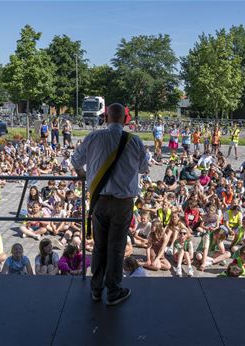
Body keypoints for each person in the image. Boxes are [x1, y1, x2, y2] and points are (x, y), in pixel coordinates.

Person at [71, 103, 148, 306]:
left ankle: (96, 289)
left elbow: (75, 160)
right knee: (116, 248)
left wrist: (83, 175)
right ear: (125, 119)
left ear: (106, 118)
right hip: (123, 203)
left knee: (99, 246)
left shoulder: (93, 137)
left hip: (99, 201)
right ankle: (113, 291)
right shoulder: (135, 141)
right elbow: (144, 168)